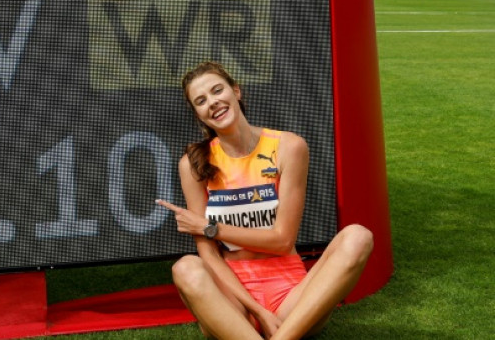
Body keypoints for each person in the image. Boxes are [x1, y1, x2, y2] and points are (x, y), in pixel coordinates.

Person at [156, 61, 373, 339]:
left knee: (358, 236)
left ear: (236, 91)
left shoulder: (289, 147)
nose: (212, 102)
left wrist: (210, 227)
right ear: (198, 114)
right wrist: (257, 311)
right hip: (234, 303)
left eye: (217, 90)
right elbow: (208, 254)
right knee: (185, 267)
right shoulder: (193, 164)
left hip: (291, 297)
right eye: (201, 100)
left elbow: (283, 240)